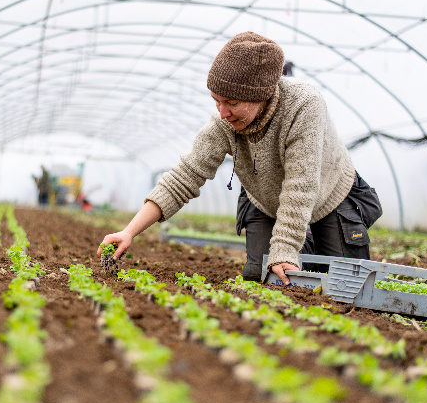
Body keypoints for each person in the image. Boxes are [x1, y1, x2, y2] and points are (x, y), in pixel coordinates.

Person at [97, 31, 382, 285]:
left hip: (328, 194)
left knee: (348, 282)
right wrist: (129, 231)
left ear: (261, 96)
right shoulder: (224, 121)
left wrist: (283, 250)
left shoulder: (303, 106)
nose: (222, 113)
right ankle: (300, 245)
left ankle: (302, 242)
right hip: (263, 198)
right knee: (263, 275)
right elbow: (184, 177)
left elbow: (300, 187)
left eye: (232, 103)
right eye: (216, 101)